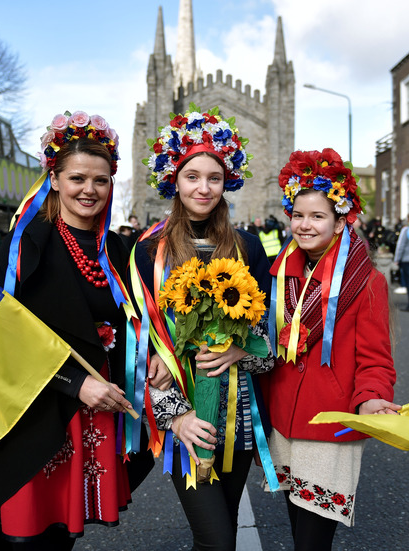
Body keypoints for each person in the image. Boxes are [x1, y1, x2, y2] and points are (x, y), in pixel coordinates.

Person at [0, 111, 153, 550]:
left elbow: (138, 323)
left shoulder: (117, 248)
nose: (89, 190)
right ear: (54, 179)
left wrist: (154, 361)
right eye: (77, 178)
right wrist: (75, 383)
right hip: (33, 412)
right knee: (18, 536)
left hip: (90, 418)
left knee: (59, 536)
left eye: (100, 180)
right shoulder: (24, 245)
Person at [134, 105, 274, 550]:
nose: (203, 187)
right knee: (216, 539)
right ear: (174, 179)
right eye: (192, 176)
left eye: (214, 177)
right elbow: (139, 346)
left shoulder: (249, 247)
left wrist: (241, 352)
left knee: (220, 535)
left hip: (240, 417)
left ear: (227, 181)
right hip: (186, 413)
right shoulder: (148, 250)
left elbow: (269, 340)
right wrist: (174, 416)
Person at [266, 148, 399, 550]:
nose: (305, 225)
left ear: (342, 220)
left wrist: (372, 398)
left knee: (312, 542)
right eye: (298, 215)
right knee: (296, 527)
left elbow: (375, 358)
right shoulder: (278, 273)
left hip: (329, 423)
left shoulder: (367, 281)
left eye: (318, 216)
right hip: (284, 422)